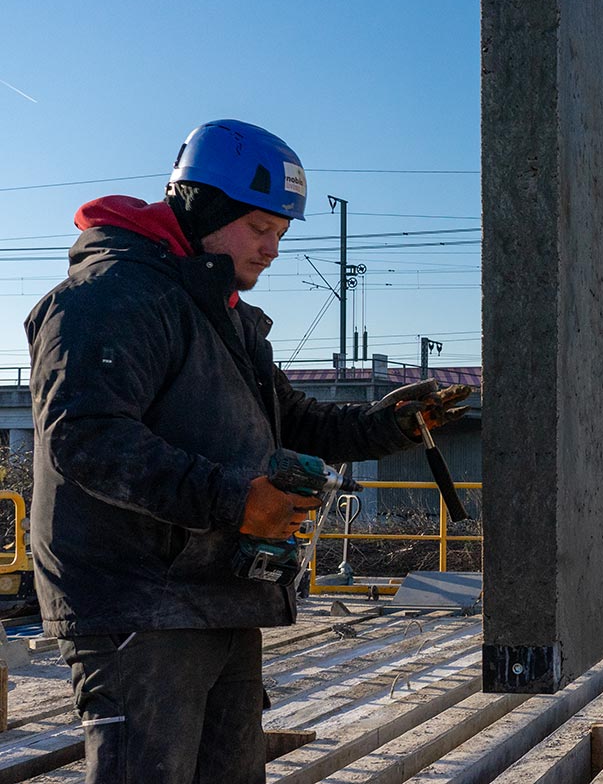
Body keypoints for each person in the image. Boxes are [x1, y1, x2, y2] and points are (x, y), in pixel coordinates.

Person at [24, 119, 470, 784]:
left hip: (216, 590)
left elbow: (291, 421)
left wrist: (391, 426)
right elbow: (87, 440)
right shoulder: (110, 297)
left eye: (282, 235)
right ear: (206, 209)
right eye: (260, 228)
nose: (272, 250)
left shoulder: (219, 313)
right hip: (137, 604)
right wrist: (237, 501)